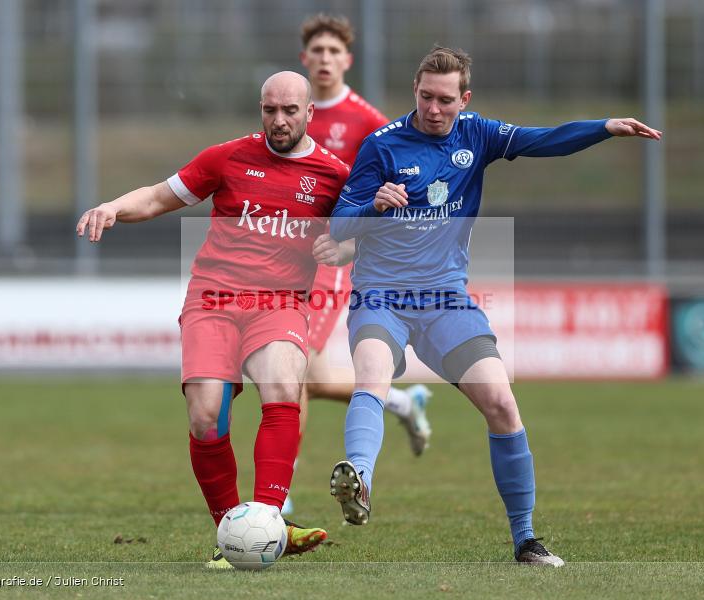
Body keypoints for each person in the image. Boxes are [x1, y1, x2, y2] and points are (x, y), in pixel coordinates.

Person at [325, 46, 662, 566]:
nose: (433, 109)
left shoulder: (476, 134)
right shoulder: (381, 146)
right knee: (372, 377)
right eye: (425, 97)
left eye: (444, 100)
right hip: (381, 298)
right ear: (414, 90)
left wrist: (606, 127)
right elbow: (338, 225)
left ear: (464, 99)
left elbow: (542, 140)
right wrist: (373, 204)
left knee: (502, 404)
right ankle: (360, 484)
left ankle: (526, 539)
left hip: (446, 303)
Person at [76, 71, 347, 570]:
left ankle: (267, 517)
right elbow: (159, 196)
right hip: (213, 299)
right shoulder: (225, 157)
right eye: (270, 110)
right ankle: (233, 532)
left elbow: (360, 236)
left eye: (290, 111)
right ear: (260, 109)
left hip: (281, 302)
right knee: (204, 419)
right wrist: (113, 207)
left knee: (283, 387)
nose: (279, 120)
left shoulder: (334, 175)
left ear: (310, 114)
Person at [280, 14, 434, 517]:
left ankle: (277, 494)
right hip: (289, 256)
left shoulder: (368, 121)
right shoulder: (289, 114)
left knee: (293, 371)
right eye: (316, 51)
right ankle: (399, 402)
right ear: (305, 60)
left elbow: (390, 191)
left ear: (347, 60)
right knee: (319, 380)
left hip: (333, 259)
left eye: (333, 51)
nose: (324, 59)